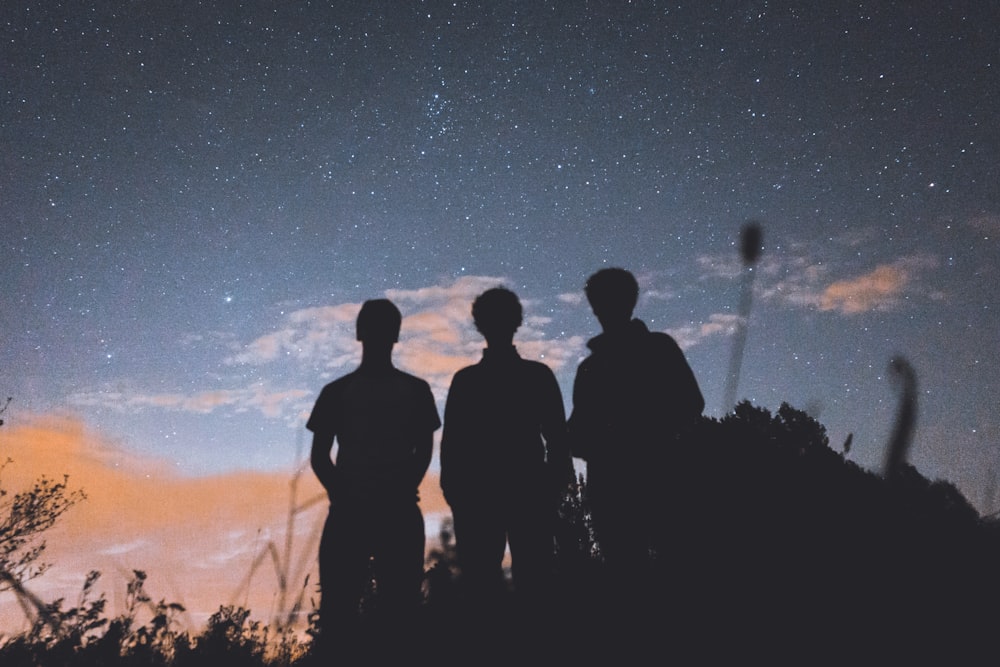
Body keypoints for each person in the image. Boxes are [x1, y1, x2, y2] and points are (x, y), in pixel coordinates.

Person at [306, 299, 440, 649]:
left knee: (399, 612)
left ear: (395, 335)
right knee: (341, 611)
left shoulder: (416, 390)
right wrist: (344, 494)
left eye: (386, 327)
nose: (380, 335)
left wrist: (397, 491)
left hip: (394, 512)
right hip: (353, 513)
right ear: (360, 332)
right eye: (375, 327)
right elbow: (319, 456)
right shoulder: (336, 392)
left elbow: (424, 452)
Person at [568, 268, 704, 584]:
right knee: (627, 572)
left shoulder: (658, 348)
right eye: (597, 301)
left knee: (671, 565)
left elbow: (690, 404)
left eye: (603, 300)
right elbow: (578, 429)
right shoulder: (590, 368)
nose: (600, 308)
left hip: (658, 478)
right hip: (613, 486)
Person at [440, 287, 573, 612]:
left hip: (520, 494)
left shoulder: (473, 381)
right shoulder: (526, 377)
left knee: (523, 582)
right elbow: (452, 448)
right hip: (490, 497)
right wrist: (458, 495)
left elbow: (557, 440)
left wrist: (551, 490)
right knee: (494, 583)